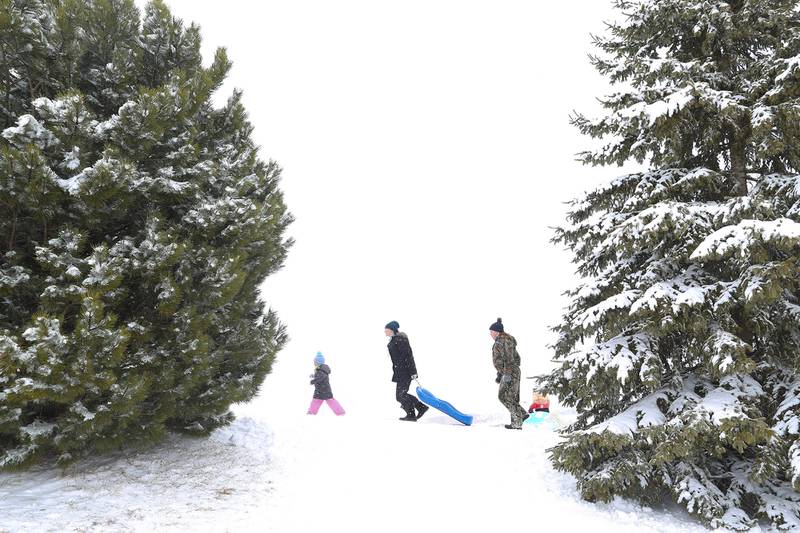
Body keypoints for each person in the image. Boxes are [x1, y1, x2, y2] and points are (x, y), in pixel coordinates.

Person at [385, 321, 428, 421]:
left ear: (392, 330)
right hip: (400, 371)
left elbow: (408, 356)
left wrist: (413, 372)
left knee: (400, 395)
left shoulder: (400, 339)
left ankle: (420, 408)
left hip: (405, 371)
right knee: (401, 395)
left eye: (386, 330)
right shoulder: (394, 340)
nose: (385, 332)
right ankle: (412, 414)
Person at [490, 318, 528, 429]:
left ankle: (521, 414)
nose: (490, 334)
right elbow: (512, 358)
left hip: (510, 372)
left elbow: (509, 358)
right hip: (510, 371)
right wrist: (500, 373)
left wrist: (506, 373)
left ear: (497, 332)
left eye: (491, 332)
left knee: (504, 396)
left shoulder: (503, 341)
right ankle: (517, 423)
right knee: (512, 397)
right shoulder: (505, 340)